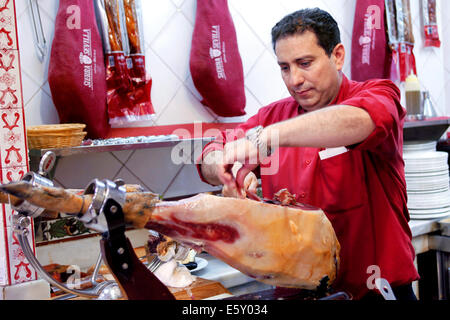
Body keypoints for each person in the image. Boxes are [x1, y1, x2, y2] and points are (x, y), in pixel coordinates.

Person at [195, 8, 420, 300]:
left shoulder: (378, 93)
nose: (295, 79)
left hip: (374, 293)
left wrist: (265, 139)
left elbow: (359, 120)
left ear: (337, 56)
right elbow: (209, 153)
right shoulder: (274, 115)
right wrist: (225, 169)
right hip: (297, 294)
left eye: (305, 63)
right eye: (285, 67)